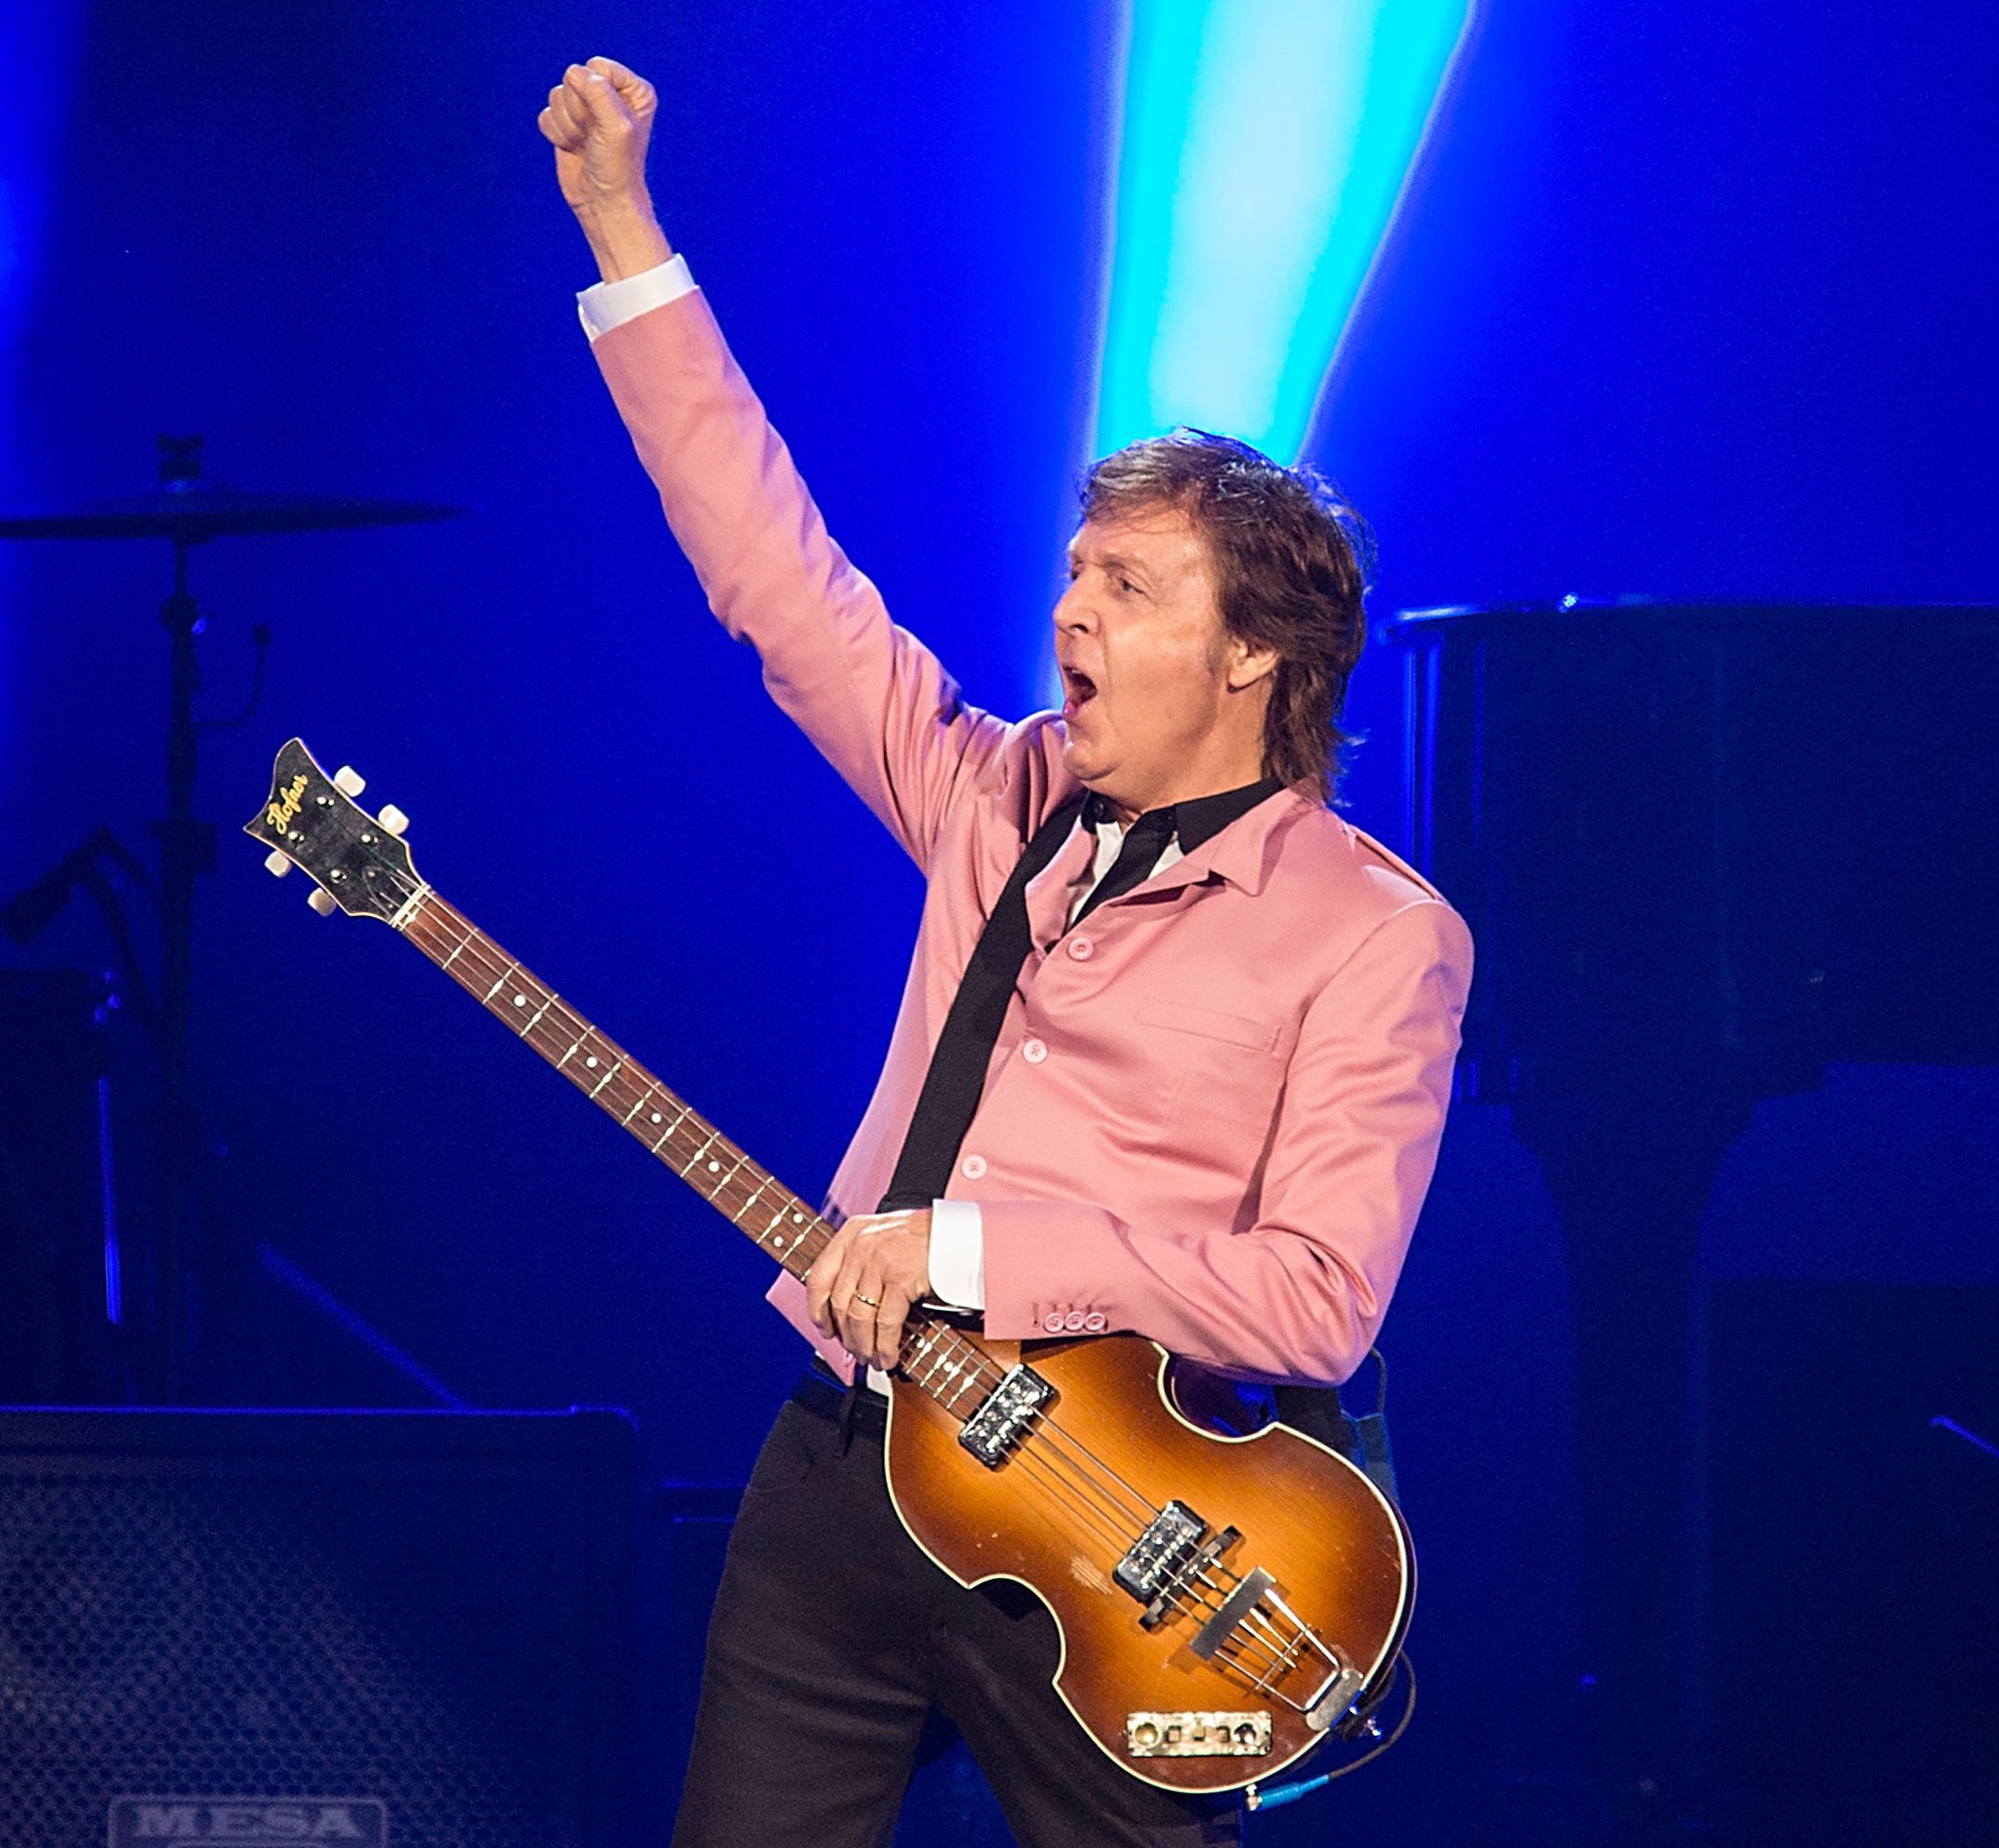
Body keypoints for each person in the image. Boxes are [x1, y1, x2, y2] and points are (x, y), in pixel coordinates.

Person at [540, 56, 1473, 1848]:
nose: (1071, 609)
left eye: (1127, 587)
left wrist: (978, 1246)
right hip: (844, 1465)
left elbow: (1319, 1296)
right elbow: (776, 575)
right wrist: (623, 228)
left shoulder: (1376, 934)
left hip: (1118, 1528)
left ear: (1254, 655)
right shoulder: (995, 792)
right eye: (1072, 572)